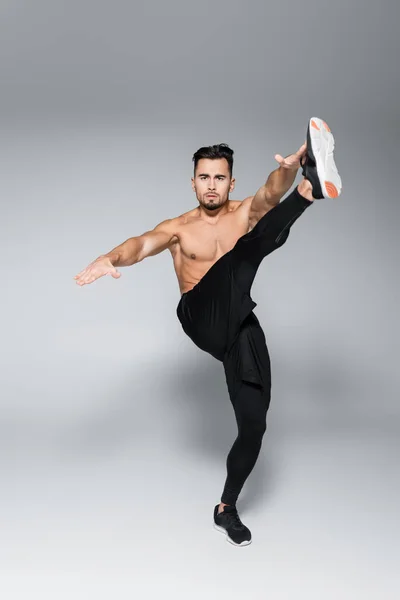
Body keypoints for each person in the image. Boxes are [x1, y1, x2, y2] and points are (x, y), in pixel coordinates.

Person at [74, 117, 342, 547]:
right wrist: (111, 258)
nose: (211, 185)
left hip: (238, 321)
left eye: (220, 178)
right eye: (204, 178)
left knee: (255, 425)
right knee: (241, 257)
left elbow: (271, 193)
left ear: (232, 182)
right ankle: (310, 194)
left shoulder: (244, 211)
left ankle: (226, 507)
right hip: (200, 313)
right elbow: (140, 244)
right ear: (193, 183)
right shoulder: (179, 228)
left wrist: (290, 167)